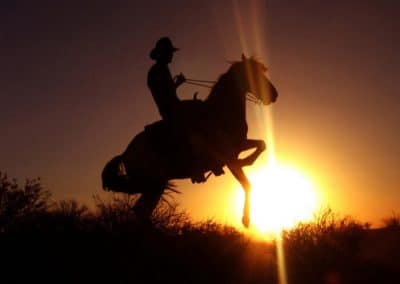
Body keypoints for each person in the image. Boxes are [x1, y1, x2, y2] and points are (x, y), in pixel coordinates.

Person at [147, 37, 206, 183]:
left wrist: (176, 84)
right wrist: (176, 85)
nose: (171, 55)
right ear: (162, 53)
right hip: (170, 109)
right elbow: (165, 94)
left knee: (198, 107)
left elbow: (167, 91)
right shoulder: (157, 70)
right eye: (169, 52)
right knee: (198, 110)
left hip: (172, 106)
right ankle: (195, 166)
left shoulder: (160, 69)